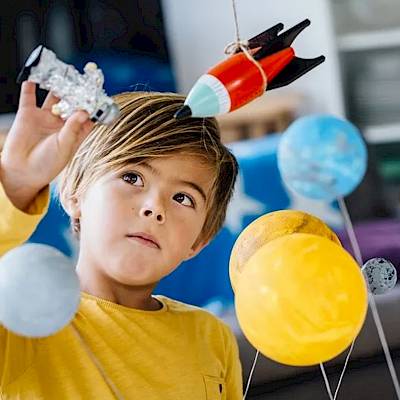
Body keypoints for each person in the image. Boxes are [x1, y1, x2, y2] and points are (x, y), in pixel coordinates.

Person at [0, 81, 242, 399]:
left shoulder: (212, 337)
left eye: (183, 198)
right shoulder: (21, 322)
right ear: (75, 191)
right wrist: (17, 185)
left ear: (200, 241)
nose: (155, 208)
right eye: (132, 177)